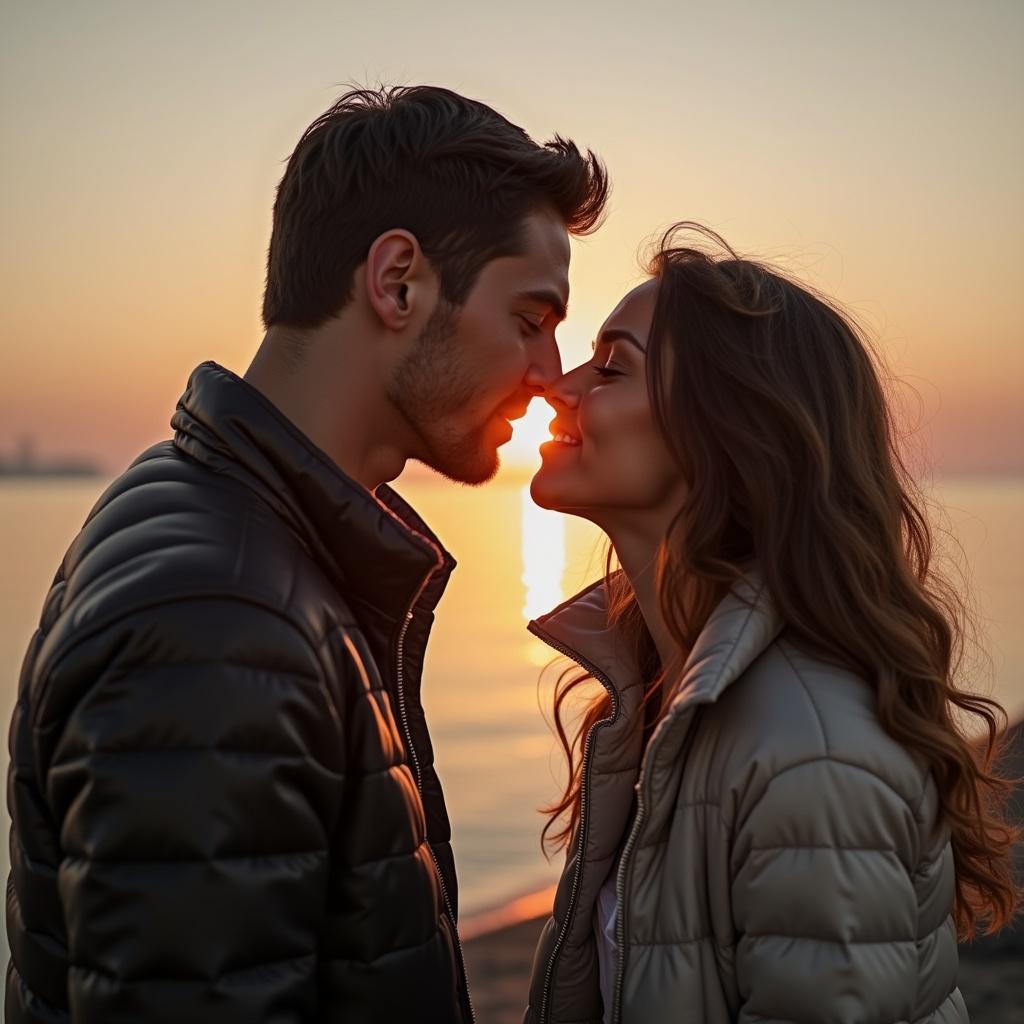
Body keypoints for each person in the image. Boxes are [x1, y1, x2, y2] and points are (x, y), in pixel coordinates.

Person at [6, 85, 607, 1024]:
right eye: (530, 318)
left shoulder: (259, 550)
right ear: (398, 280)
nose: (550, 373)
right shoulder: (217, 620)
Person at [524, 223, 1019, 1024]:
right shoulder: (655, 701)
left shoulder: (807, 752)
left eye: (612, 366)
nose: (560, 385)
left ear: (728, 431)